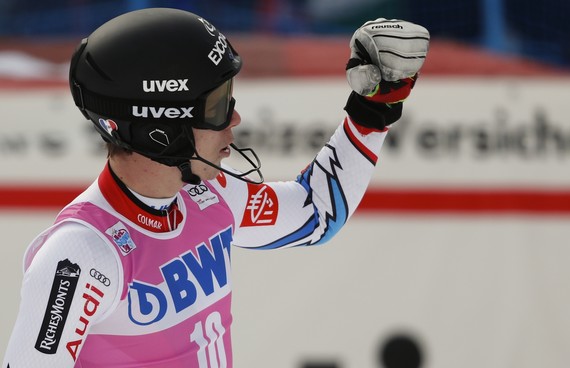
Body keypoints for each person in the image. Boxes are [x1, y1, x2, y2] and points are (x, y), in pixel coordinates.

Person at [2, 8, 429, 368]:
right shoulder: (82, 253)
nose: (235, 119)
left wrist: (374, 107)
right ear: (160, 128)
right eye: (218, 105)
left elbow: (316, 213)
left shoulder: (208, 194)